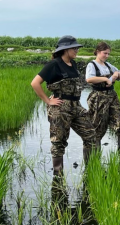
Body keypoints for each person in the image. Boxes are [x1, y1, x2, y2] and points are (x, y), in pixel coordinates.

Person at [31, 35, 96, 175]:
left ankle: (90, 169)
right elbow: (35, 83)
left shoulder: (73, 64)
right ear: (65, 49)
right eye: (74, 48)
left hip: (76, 106)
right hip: (60, 108)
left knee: (90, 134)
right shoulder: (54, 64)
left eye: (77, 48)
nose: (77, 50)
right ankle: (58, 174)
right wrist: (48, 101)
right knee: (59, 141)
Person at [85, 42, 120, 166]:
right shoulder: (92, 65)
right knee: (97, 128)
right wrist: (105, 79)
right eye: (105, 53)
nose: (107, 56)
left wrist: (115, 74)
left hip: (112, 97)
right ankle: (94, 159)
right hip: (98, 98)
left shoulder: (108, 65)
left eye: (108, 53)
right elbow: (89, 79)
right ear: (98, 51)